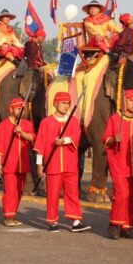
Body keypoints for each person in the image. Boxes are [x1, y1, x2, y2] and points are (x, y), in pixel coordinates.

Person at [34, 92, 91, 232]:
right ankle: (52, 222)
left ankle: (76, 221)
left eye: (68, 103)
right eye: (63, 103)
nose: (66, 106)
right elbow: (40, 145)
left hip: (70, 165)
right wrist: (39, 166)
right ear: (55, 103)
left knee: (72, 192)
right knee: (52, 194)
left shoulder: (73, 121)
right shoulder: (46, 122)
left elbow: (76, 137)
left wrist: (64, 140)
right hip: (52, 165)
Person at [102, 89, 133, 239]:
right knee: (122, 194)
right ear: (124, 102)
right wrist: (114, 139)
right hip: (119, 163)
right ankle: (114, 223)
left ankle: (127, 225)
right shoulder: (114, 119)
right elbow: (105, 138)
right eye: (131, 101)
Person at [0, 98, 35, 226]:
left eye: (22, 108)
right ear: (11, 110)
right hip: (9, 164)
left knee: (19, 190)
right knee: (10, 190)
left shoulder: (27, 124)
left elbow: (32, 138)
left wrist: (22, 132)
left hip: (22, 164)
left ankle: (13, 214)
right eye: (17, 108)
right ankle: (8, 216)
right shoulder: (3, 125)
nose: (20, 111)